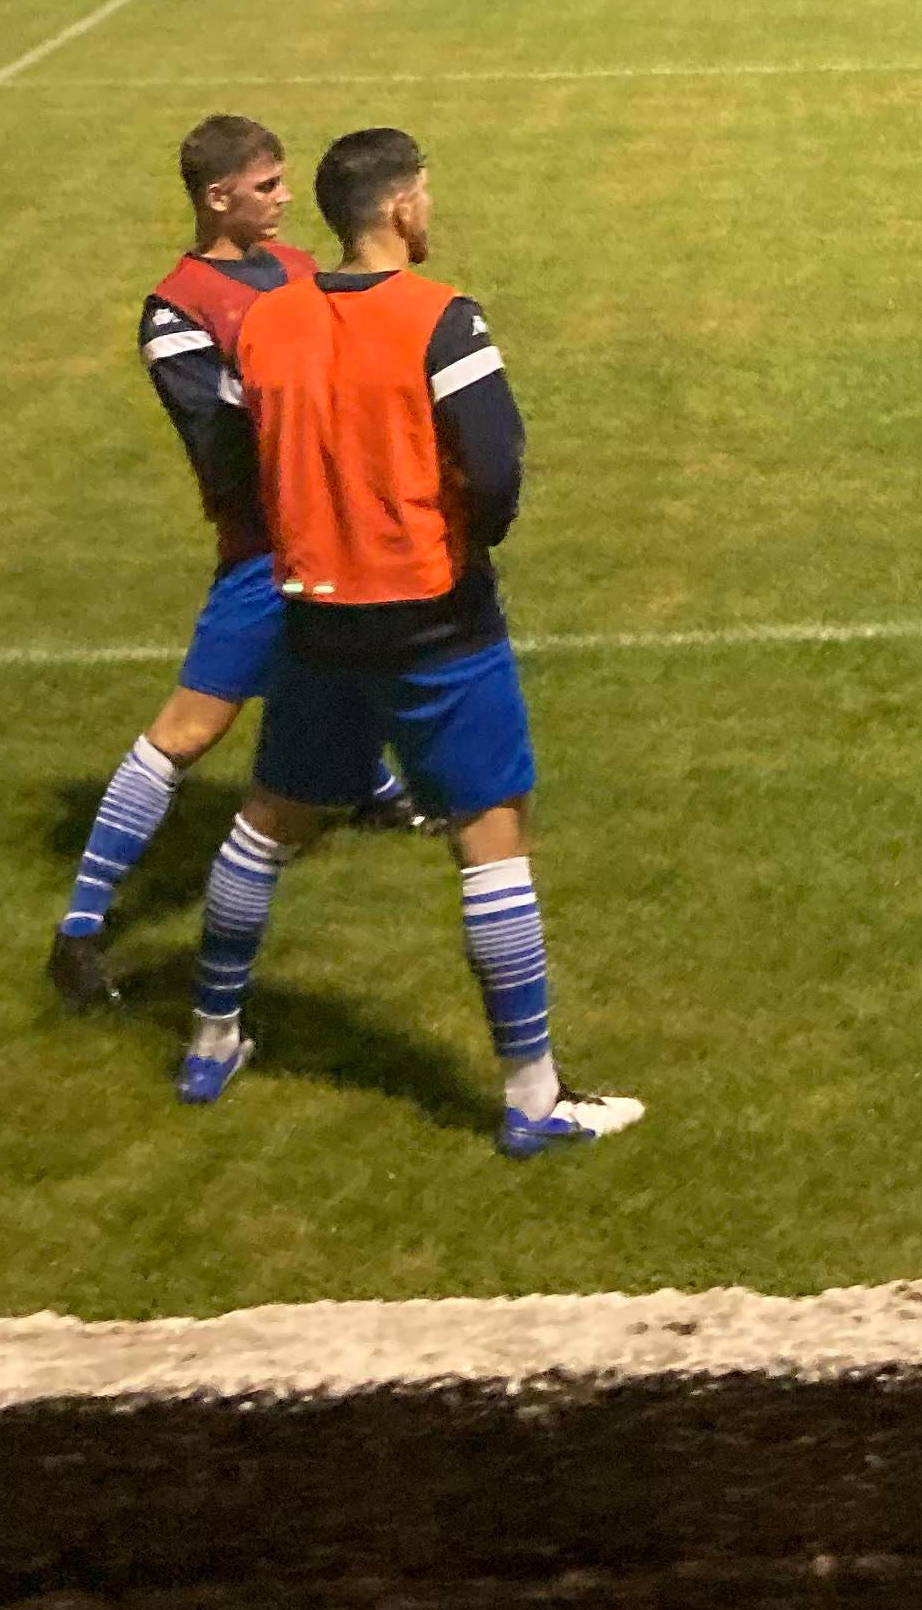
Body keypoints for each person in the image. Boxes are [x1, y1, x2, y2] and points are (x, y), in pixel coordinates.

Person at [178, 125, 639, 1158]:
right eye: (423, 194)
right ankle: (531, 1099)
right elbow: (497, 463)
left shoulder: (266, 322)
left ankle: (210, 1039)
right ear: (397, 207)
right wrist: (468, 536)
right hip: (436, 618)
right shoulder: (442, 318)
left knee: (267, 823)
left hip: (314, 615)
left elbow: (232, 461)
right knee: (490, 834)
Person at [48, 117, 422, 1014]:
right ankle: (80, 930)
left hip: (331, 526)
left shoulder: (295, 268)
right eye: (266, 187)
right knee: (188, 732)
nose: (286, 198)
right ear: (219, 199)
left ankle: (370, 788)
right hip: (268, 545)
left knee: (359, 653)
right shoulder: (177, 311)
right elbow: (224, 444)